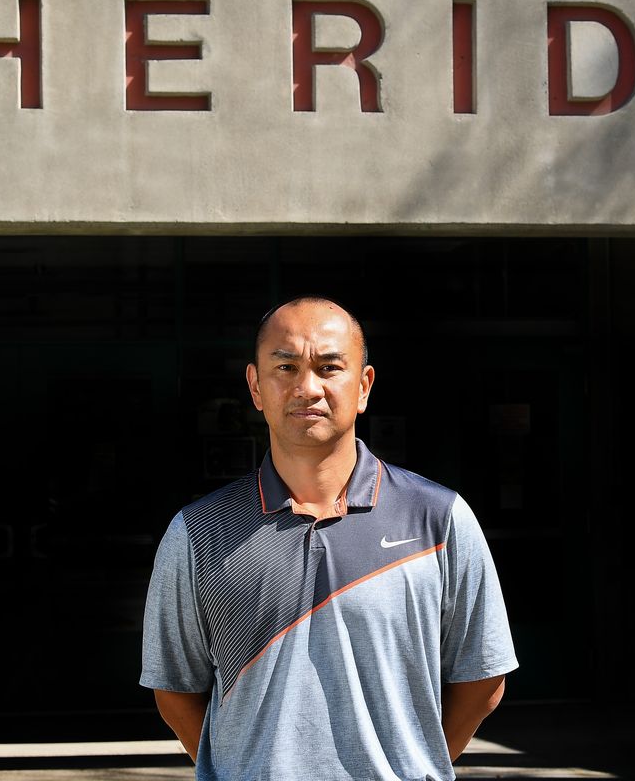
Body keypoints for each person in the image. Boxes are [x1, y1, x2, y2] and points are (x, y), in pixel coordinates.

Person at [141, 296, 518, 780]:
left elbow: (482, 679)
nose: (307, 387)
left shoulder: (439, 518)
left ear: (363, 386)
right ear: (256, 386)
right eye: (286, 366)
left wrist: (409, 766)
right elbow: (174, 691)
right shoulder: (198, 532)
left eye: (329, 367)